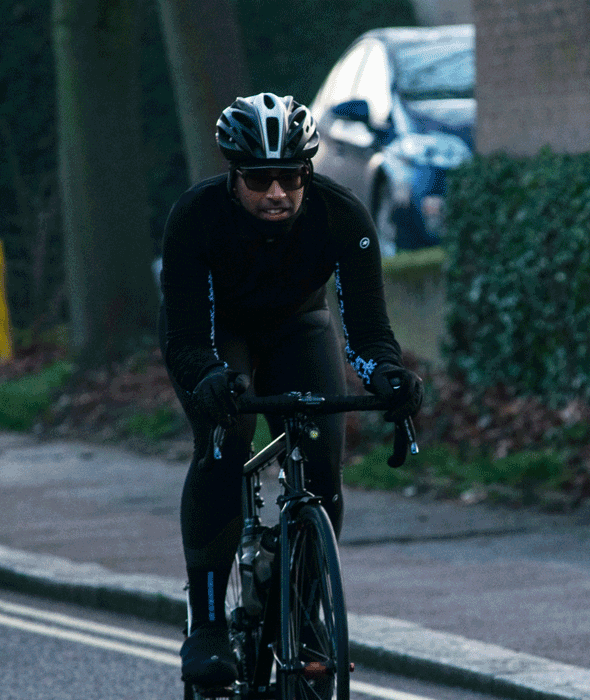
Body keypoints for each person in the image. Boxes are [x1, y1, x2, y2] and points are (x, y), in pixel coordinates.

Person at [158, 93, 423, 690]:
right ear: (234, 175)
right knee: (225, 441)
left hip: (297, 327)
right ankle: (206, 624)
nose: (277, 192)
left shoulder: (340, 214)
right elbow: (186, 337)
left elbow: (368, 328)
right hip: (214, 333)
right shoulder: (196, 217)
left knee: (323, 460)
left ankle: (298, 614)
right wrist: (209, 379)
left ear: (308, 172)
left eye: (291, 176)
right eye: (260, 178)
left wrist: (385, 375)